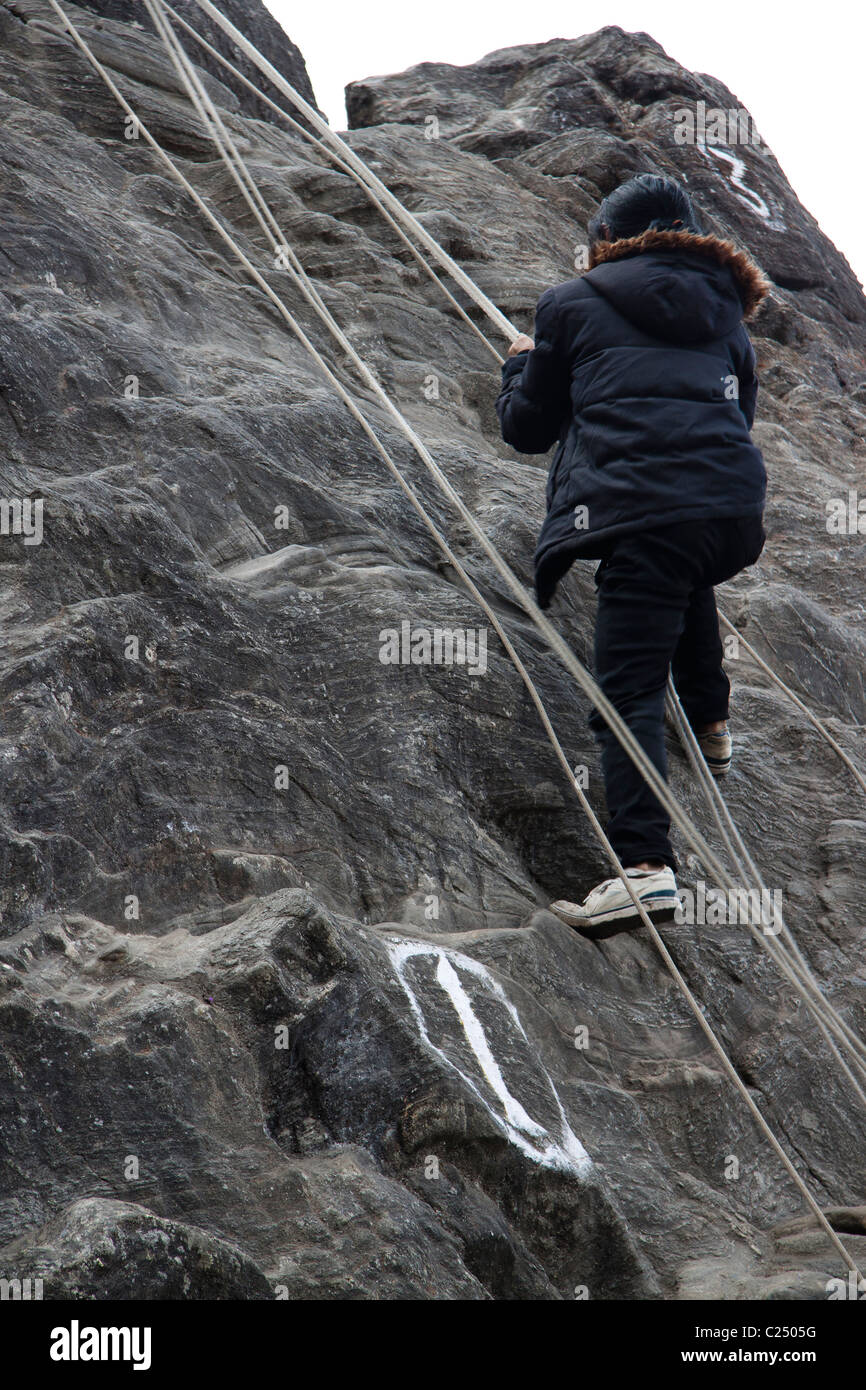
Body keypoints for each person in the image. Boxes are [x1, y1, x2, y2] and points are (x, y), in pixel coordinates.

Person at [496, 174, 768, 937]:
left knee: (626, 691)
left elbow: (527, 426)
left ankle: (644, 871)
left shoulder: (572, 303)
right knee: (682, 564)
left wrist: (521, 363)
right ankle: (710, 720)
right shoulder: (730, 321)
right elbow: (735, 421)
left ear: (607, 239)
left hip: (643, 512)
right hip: (728, 510)